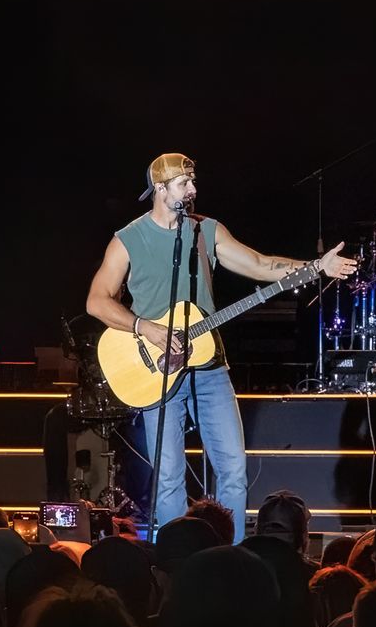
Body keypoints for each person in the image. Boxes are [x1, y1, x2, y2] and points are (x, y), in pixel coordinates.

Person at [84, 152, 355, 542]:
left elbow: (260, 264)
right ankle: (175, 555)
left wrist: (315, 266)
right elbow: (97, 300)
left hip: (209, 365)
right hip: (154, 368)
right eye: (184, 184)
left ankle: (231, 554)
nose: (193, 191)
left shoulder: (205, 230)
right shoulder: (128, 239)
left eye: (193, 182)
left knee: (232, 466)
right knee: (169, 474)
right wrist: (145, 327)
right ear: (160, 189)